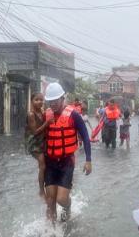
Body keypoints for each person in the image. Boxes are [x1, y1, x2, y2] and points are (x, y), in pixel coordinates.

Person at [43, 83, 92, 222]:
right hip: (50, 162)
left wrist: (88, 160)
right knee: (50, 201)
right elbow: (38, 135)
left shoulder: (74, 115)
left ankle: (68, 206)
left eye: (55, 101)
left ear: (62, 98)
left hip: (66, 162)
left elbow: (86, 137)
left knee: (61, 199)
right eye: (50, 101)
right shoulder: (46, 115)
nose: (52, 104)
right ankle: (51, 231)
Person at [25, 93, 53, 198]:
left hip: (42, 141)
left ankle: (48, 184)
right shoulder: (31, 114)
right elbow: (35, 131)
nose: (40, 102)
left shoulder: (42, 111)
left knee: (46, 164)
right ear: (32, 100)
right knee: (42, 165)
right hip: (34, 142)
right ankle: (41, 191)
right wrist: (46, 123)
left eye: (41, 100)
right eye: (37, 100)